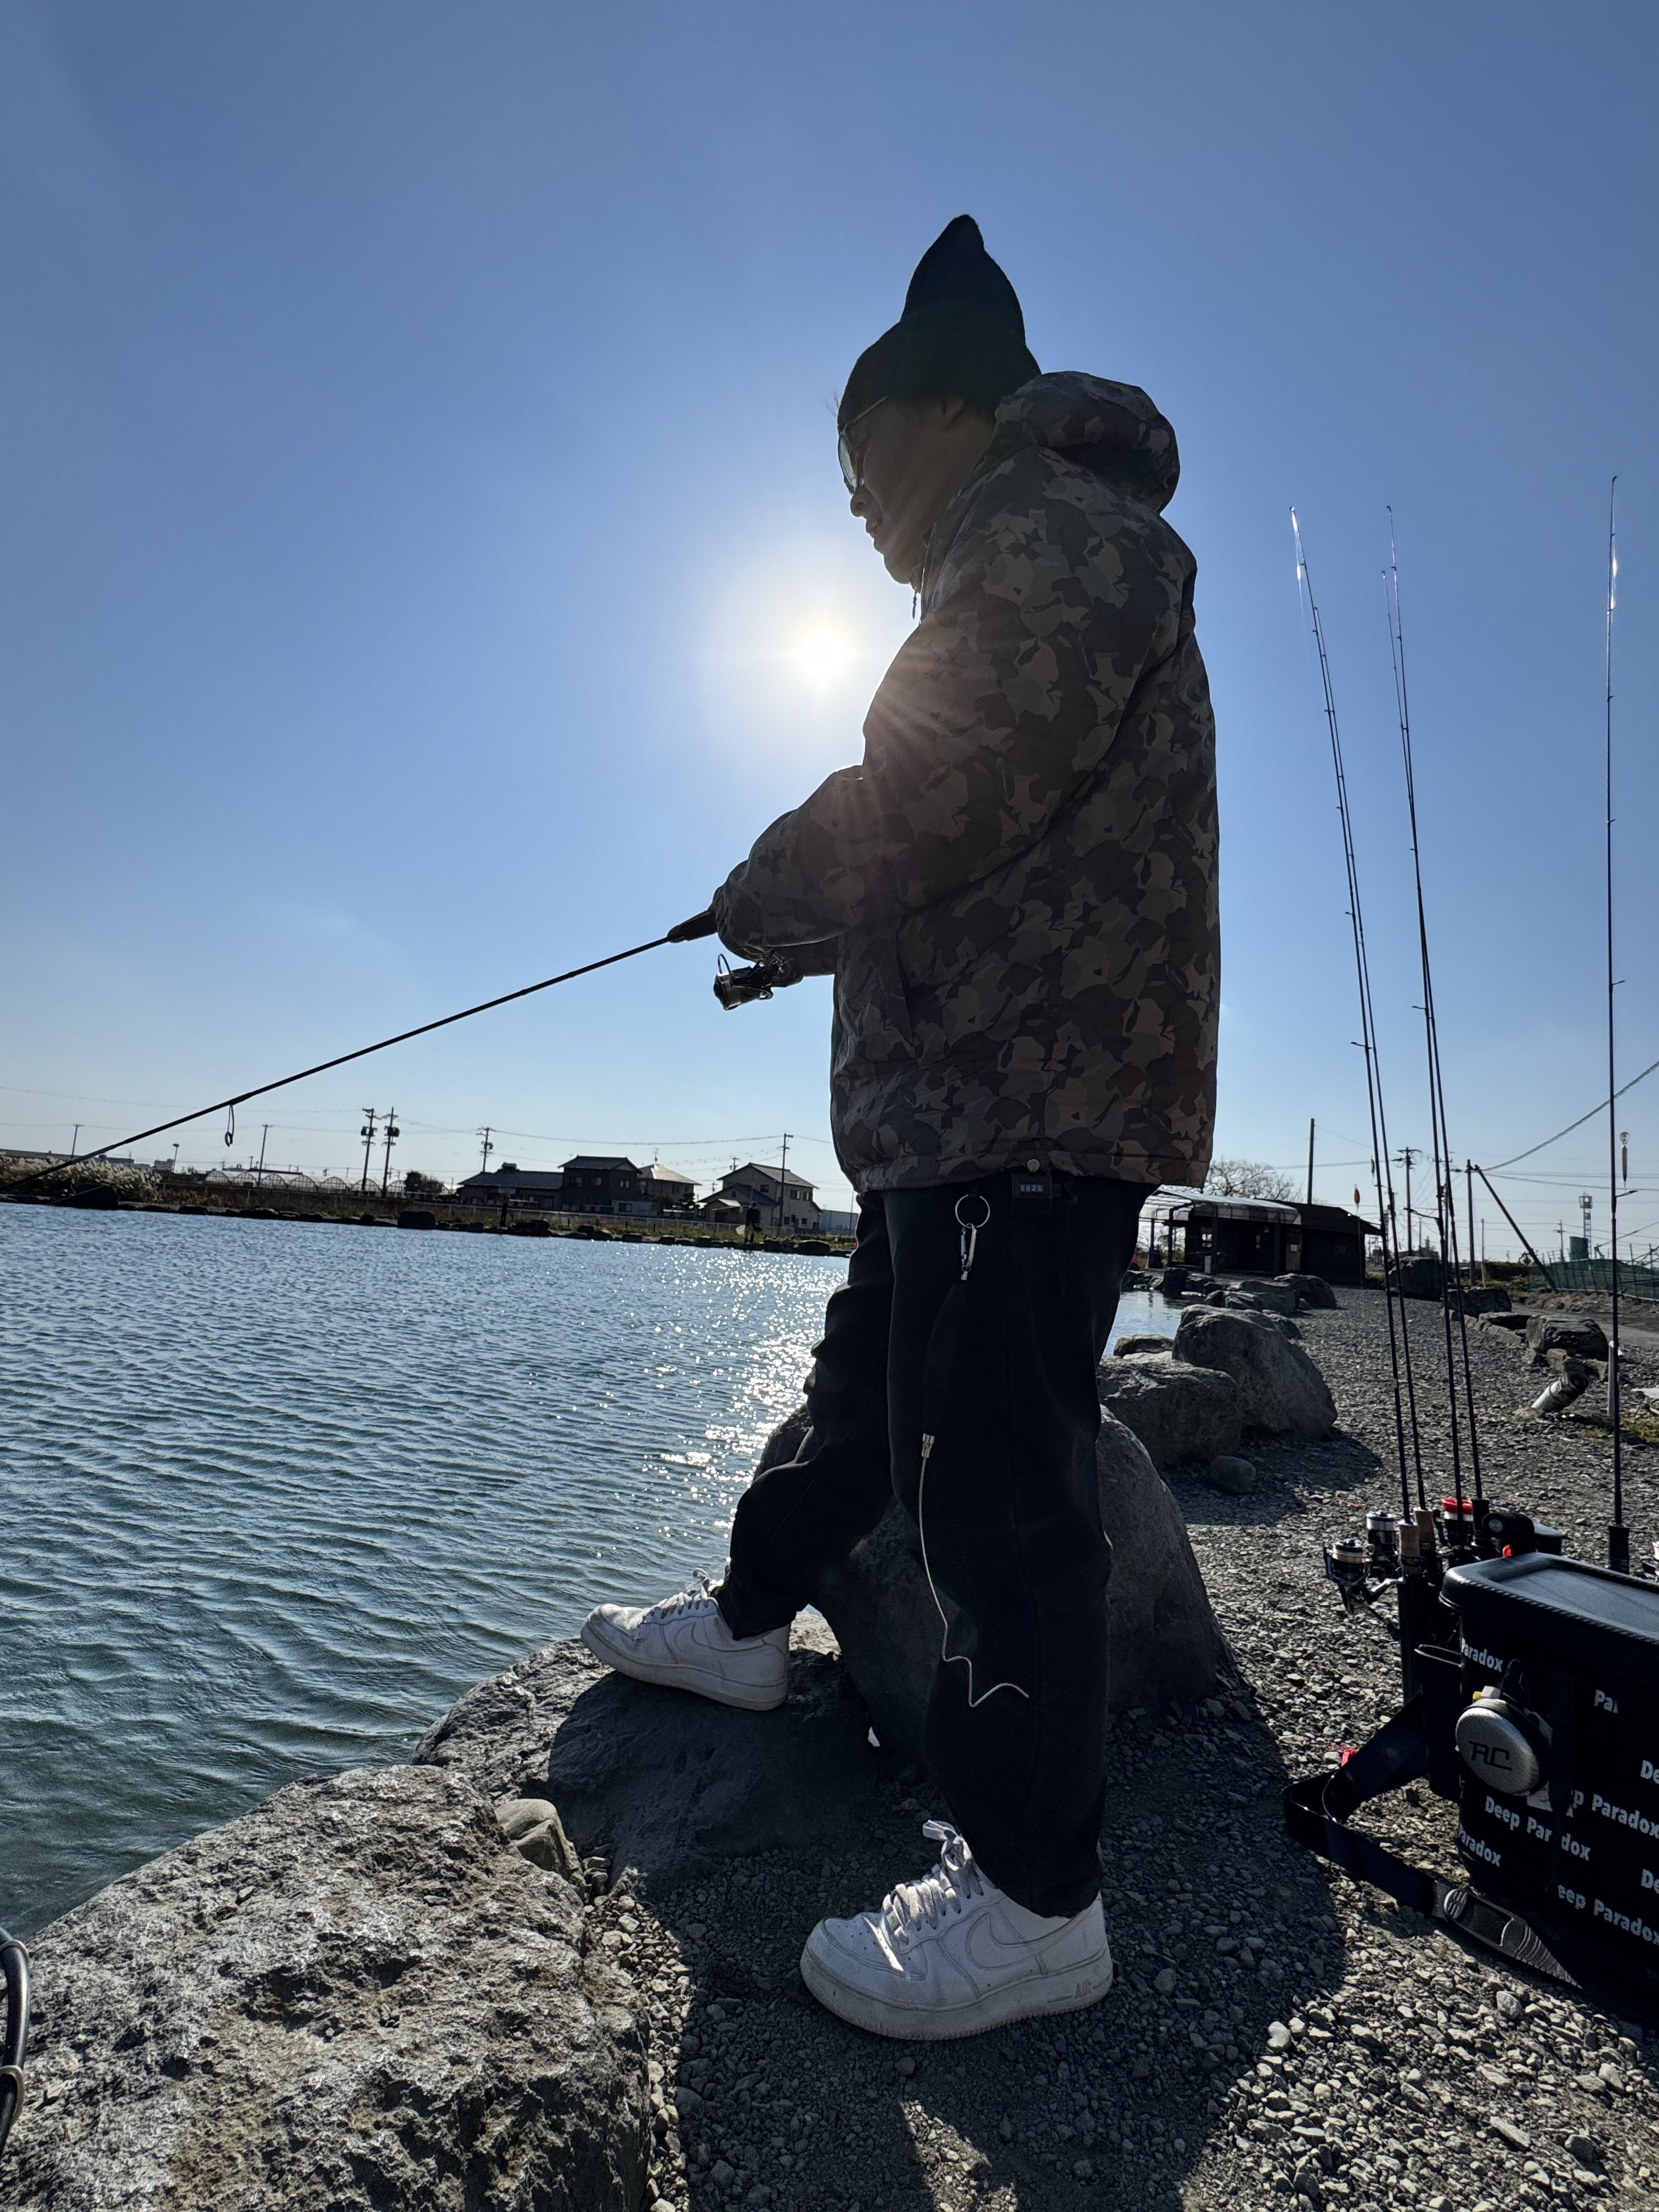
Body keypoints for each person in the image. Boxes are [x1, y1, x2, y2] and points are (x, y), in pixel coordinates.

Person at [582, 216, 1218, 2040]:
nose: (854, 504)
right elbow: (988, 832)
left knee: (1000, 1484)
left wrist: (768, 885)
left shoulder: (1056, 523)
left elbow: (946, 779)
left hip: (1034, 1105)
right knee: (867, 1397)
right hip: (963, 1110)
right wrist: (804, 936)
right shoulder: (1022, 544)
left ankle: (1034, 1904)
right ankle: (748, 1624)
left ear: (955, 411)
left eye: (863, 457)